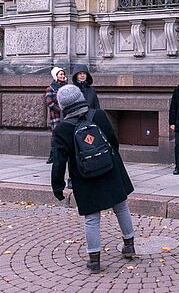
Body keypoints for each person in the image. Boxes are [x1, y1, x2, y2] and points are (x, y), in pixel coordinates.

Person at [51, 84, 136, 273]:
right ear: (81, 98)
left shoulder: (62, 129)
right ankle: (129, 245)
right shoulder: (98, 115)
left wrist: (58, 187)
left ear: (63, 105)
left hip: (84, 176)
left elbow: (58, 162)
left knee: (92, 218)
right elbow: (113, 140)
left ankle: (94, 260)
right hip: (110, 168)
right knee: (121, 206)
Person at [45, 67, 68, 163]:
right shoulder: (50, 88)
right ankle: (52, 155)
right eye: (60, 74)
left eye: (63, 74)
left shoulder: (67, 87)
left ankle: (64, 154)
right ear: (56, 76)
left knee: (66, 135)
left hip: (67, 115)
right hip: (57, 116)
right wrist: (61, 110)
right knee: (56, 136)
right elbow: (49, 103)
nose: (63, 76)